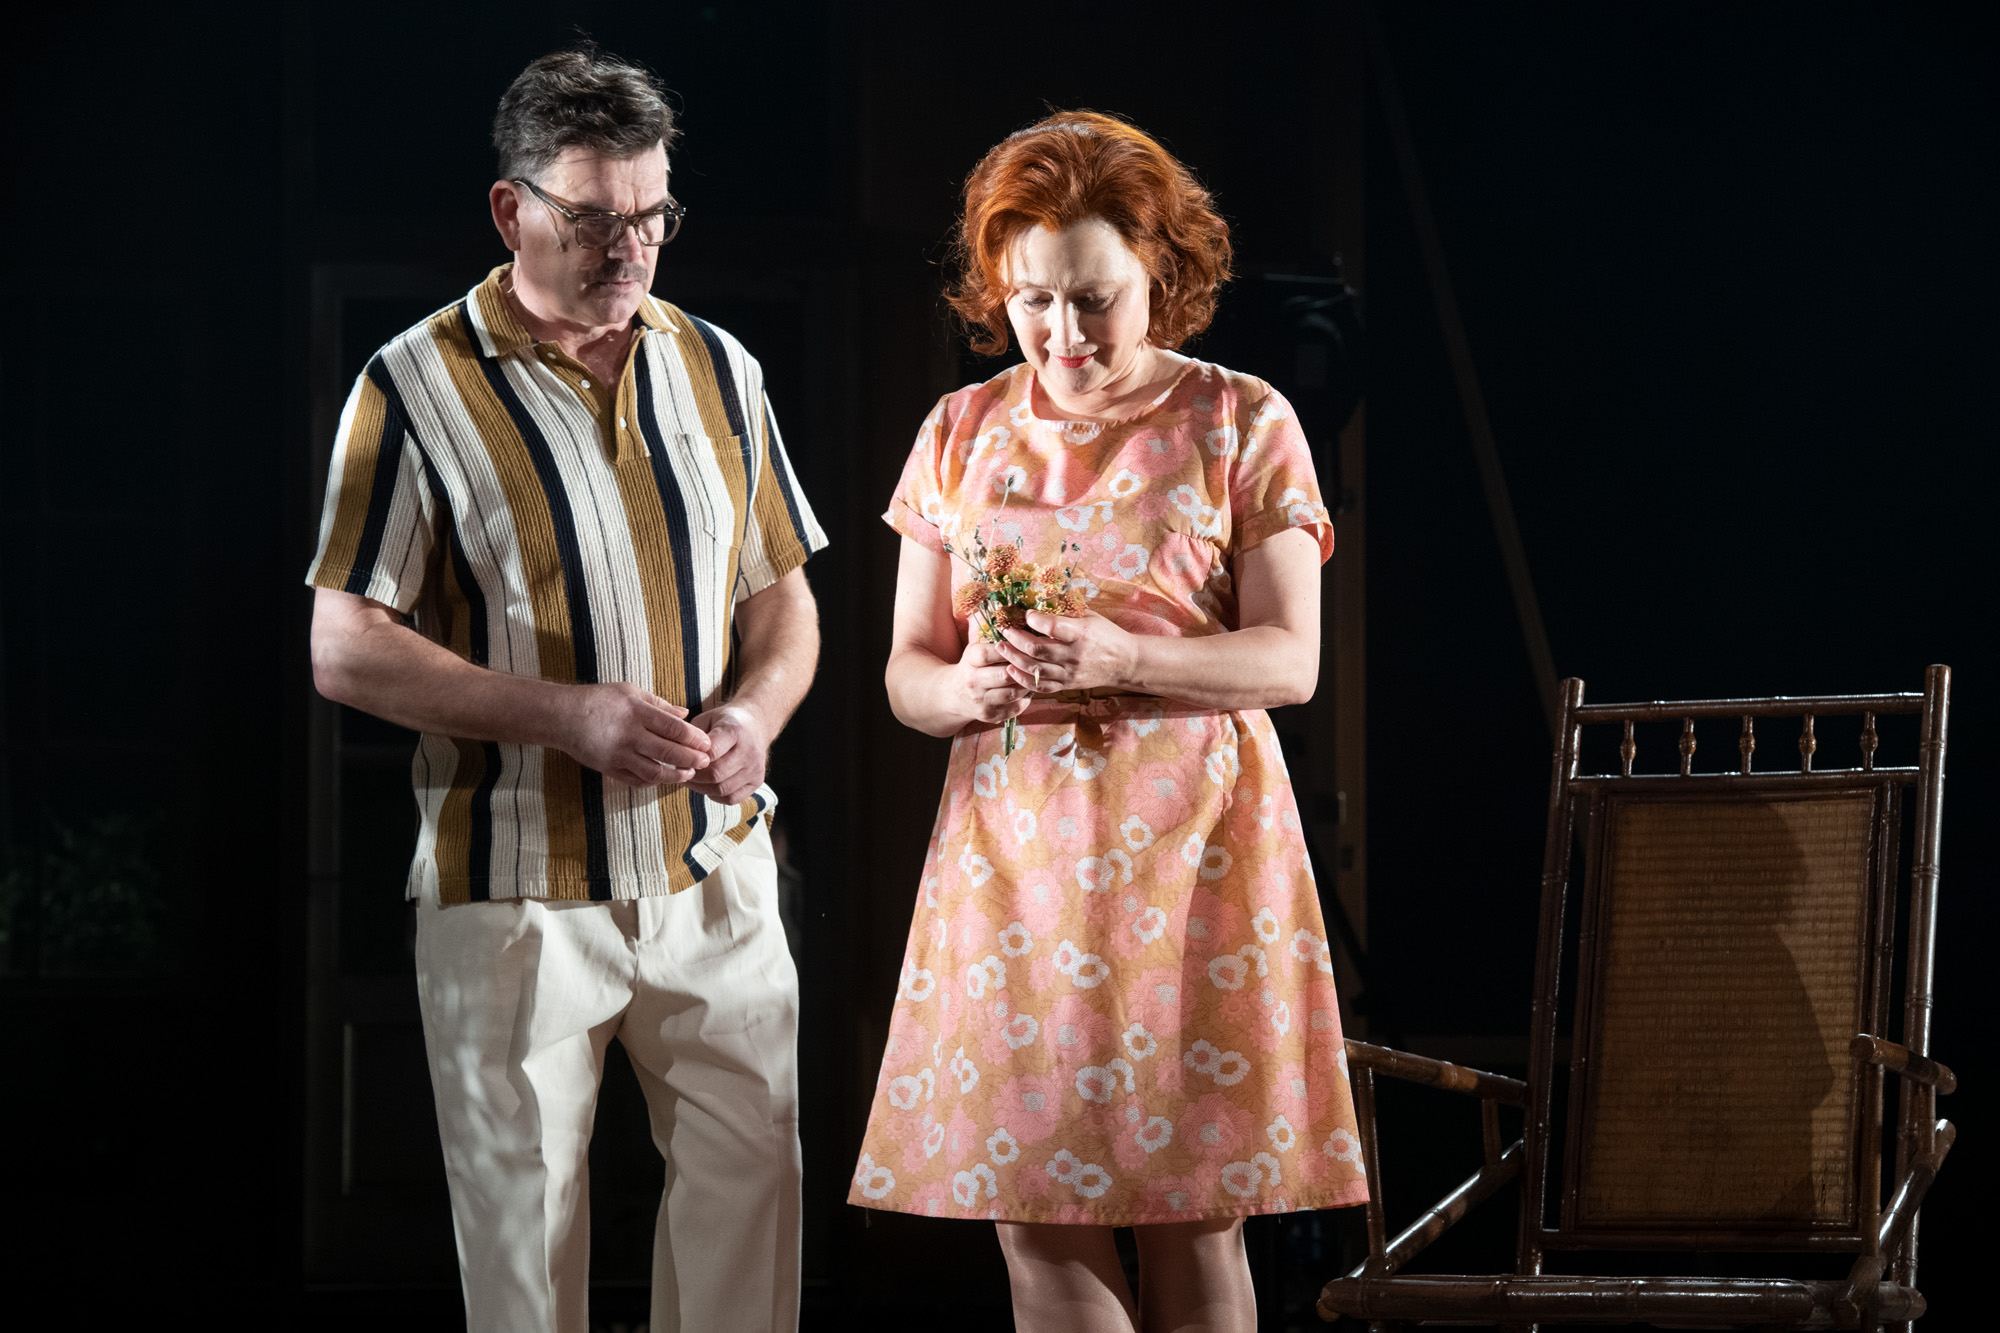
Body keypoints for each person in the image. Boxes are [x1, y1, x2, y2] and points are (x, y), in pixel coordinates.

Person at [306, 47, 826, 1333]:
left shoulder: (718, 365)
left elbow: (785, 605)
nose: (630, 245)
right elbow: (343, 646)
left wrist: (753, 715)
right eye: (593, 218)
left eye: (652, 214)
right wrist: (569, 715)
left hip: (715, 873)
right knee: (525, 1261)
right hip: (516, 891)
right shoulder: (412, 386)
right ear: (511, 208)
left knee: (748, 1231)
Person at [849, 112, 1369, 1331]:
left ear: (1160, 276)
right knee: (1034, 1210)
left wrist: (1128, 653)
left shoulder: (1240, 418)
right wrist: (966, 690)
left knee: (1192, 1206)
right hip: (1010, 860)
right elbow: (904, 673)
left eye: (1094, 299)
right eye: (1032, 301)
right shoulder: (960, 432)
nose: (1062, 334)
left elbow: (1288, 661)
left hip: (1191, 845)